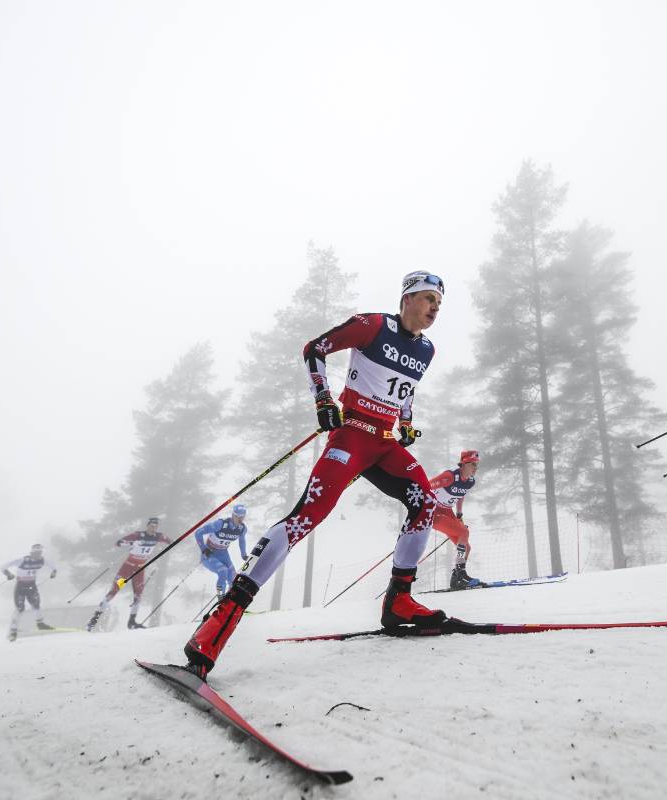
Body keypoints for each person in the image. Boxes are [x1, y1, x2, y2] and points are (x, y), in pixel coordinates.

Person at [181, 270, 447, 678]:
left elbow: (406, 390)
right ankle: (220, 621)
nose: (435, 308)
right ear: (408, 298)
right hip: (352, 435)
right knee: (307, 515)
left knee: (425, 501)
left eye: (439, 303)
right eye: (429, 298)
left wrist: (407, 424)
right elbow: (315, 348)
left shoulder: (427, 349)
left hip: (384, 443)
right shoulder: (372, 325)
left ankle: (399, 601)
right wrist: (323, 398)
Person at [87, 517, 171, 631]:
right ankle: (94, 619)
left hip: (139, 570)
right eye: (151, 525)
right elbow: (119, 543)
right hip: (127, 568)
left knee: (138, 595)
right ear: (147, 525)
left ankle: (132, 622)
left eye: (156, 526)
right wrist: (134, 542)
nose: (153, 528)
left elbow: (169, 541)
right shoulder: (138, 535)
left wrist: (167, 542)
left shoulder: (157, 536)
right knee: (114, 590)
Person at [430, 450, 481, 589]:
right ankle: (461, 574)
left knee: (466, 548)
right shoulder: (449, 477)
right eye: (473, 464)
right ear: (463, 464)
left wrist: (459, 514)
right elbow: (426, 486)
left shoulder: (470, 482)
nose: (476, 468)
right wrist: (421, 508)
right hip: (432, 512)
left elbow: (461, 494)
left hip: (447, 511)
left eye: (477, 465)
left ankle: (456, 579)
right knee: (464, 533)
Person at [1, 543, 60, 641]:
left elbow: (54, 566)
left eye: (40, 552)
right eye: (36, 552)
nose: (38, 555)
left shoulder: (42, 560)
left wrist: (54, 572)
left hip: (32, 586)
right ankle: (13, 632)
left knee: (36, 605)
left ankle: (40, 624)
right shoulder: (22, 560)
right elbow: (2, 567)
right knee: (20, 609)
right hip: (20, 587)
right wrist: (8, 574)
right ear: (32, 552)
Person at [195, 505, 249, 598]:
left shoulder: (242, 529)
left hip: (223, 554)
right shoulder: (220, 524)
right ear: (233, 515)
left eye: (242, 517)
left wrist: (244, 555)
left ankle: (232, 599)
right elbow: (198, 532)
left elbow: (242, 541)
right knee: (223, 571)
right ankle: (221, 598)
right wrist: (203, 549)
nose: (240, 520)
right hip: (210, 554)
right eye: (238, 517)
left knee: (233, 577)